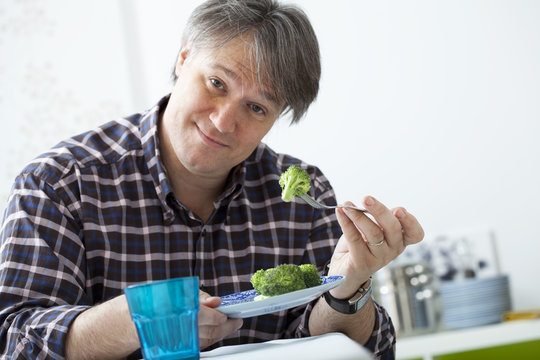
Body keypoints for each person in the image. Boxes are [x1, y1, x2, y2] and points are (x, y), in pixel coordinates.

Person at [0, 0, 424, 359]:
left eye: (256, 108)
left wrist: (347, 290)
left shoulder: (301, 197)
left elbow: (350, 348)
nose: (223, 122)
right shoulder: (60, 183)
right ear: (184, 59)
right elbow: (15, 339)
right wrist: (137, 321)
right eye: (217, 83)